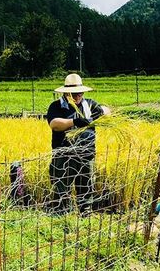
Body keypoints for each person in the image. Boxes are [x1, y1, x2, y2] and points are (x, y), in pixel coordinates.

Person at [46, 73, 111, 214]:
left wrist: (101, 113)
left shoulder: (90, 105)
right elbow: (54, 124)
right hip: (64, 154)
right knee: (62, 187)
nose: (77, 97)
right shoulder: (56, 106)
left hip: (86, 153)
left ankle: (85, 213)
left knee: (86, 187)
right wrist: (74, 122)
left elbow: (108, 112)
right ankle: (62, 215)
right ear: (66, 93)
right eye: (73, 94)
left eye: (79, 93)